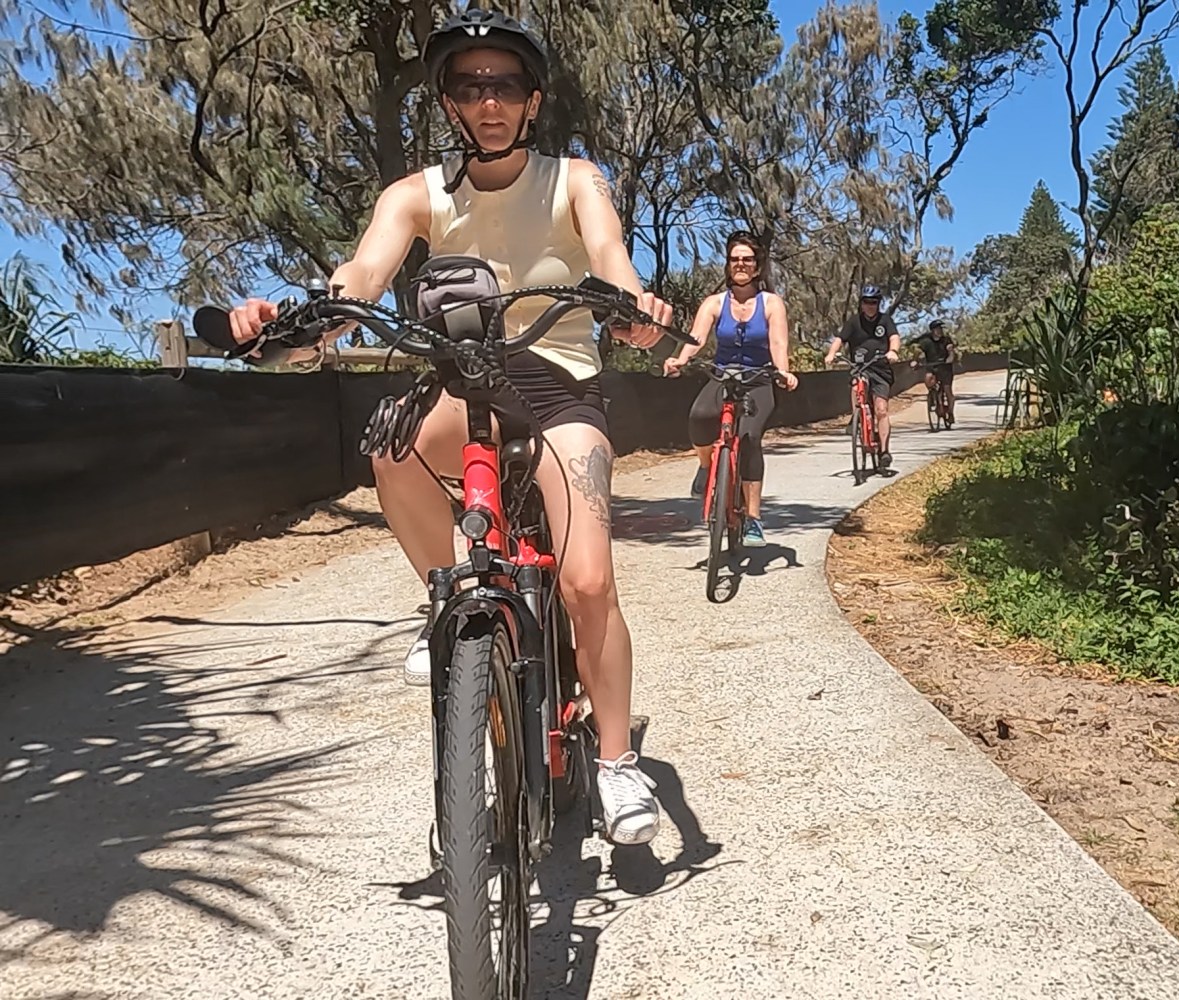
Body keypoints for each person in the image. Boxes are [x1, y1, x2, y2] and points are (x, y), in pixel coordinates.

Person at [220, 7, 669, 846]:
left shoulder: (575, 180)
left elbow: (612, 261)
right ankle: (453, 604)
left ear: (533, 101)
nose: (489, 102)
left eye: (506, 85)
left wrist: (634, 308)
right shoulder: (414, 195)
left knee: (587, 583)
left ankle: (616, 761)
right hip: (464, 381)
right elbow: (358, 278)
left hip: (560, 386)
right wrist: (291, 325)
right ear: (449, 102)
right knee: (393, 451)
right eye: (469, 86)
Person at [662, 230, 798, 547]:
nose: (740, 264)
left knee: (750, 438)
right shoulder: (714, 303)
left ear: (757, 266)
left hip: (758, 379)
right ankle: (705, 466)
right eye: (735, 259)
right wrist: (680, 360)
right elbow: (696, 339)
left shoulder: (771, 303)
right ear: (728, 264)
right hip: (723, 376)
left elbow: (778, 343)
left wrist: (783, 372)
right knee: (699, 416)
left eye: (747, 260)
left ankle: (753, 519)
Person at [823, 284, 899, 467]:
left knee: (881, 410)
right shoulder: (854, 322)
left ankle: (884, 451)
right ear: (861, 304)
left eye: (873, 302)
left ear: (878, 303)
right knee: (857, 384)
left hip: (880, 369)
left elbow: (894, 337)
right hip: (860, 368)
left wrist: (893, 351)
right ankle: (856, 415)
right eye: (866, 302)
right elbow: (840, 339)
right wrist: (831, 354)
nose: (870, 306)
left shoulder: (885, 320)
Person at [911, 318, 958, 425]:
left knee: (948, 391)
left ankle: (950, 412)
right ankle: (933, 396)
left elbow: (951, 351)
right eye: (938, 329)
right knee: (928, 379)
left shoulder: (946, 340)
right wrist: (915, 361)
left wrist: (950, 358)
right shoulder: (926, 342)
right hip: (932, 366)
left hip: (945, 368)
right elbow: (918, 352)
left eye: (941, 329)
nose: (940, 331)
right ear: (932, 330)